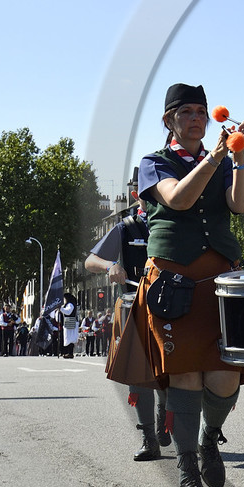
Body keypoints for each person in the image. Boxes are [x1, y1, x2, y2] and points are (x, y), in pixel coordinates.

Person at [133, 82, 244, 487]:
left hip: (220, 279)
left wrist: (239, 160)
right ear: (169, 120)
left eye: (201, 112)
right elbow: (179, 199)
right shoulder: (154, 163)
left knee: (225, 376)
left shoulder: (223, 160)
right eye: (186, 111)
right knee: (186, 374)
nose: (196, 118)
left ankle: (210, 438)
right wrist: (216, 156)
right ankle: (188, 469)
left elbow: (240, 206)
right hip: (174, 281)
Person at [86, 175, 169, 462]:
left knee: (173, 373)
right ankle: (149, 438)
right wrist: (111, 265)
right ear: (137, 195)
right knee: (139, 376)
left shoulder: (177, 223)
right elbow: (90, 260)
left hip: (172, 307)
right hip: (134, 308)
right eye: (149, 191)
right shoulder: (127, 227)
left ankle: (163, 421)